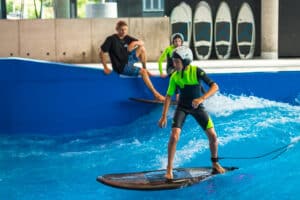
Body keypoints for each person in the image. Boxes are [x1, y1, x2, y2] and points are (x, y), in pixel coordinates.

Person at [158, 46, 225, 180]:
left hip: (197, 107)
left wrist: (201, 98)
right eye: (174, 61)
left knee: (213, 136)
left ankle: (215, 163)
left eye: (177, 62)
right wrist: (164, 116)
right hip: (182, 107)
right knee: (174, 136)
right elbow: (168, 96)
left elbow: (215, 86)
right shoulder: (175, 77)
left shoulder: (197, 71)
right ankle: (169, 169)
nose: (174, 64)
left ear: (186, 61)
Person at [99, 20, 165, 101]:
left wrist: (133, 44)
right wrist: (105, 67)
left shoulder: (127, 38)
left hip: (127, 60)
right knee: (143, 72)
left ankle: (145, 69)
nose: (123, 32)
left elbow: (141, 42)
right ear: (117, 29)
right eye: (121, 30)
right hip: (121, 67)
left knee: (142, 49)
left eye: (125, 29)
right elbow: (101, 52)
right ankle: (156, 94)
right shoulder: (111, 39)